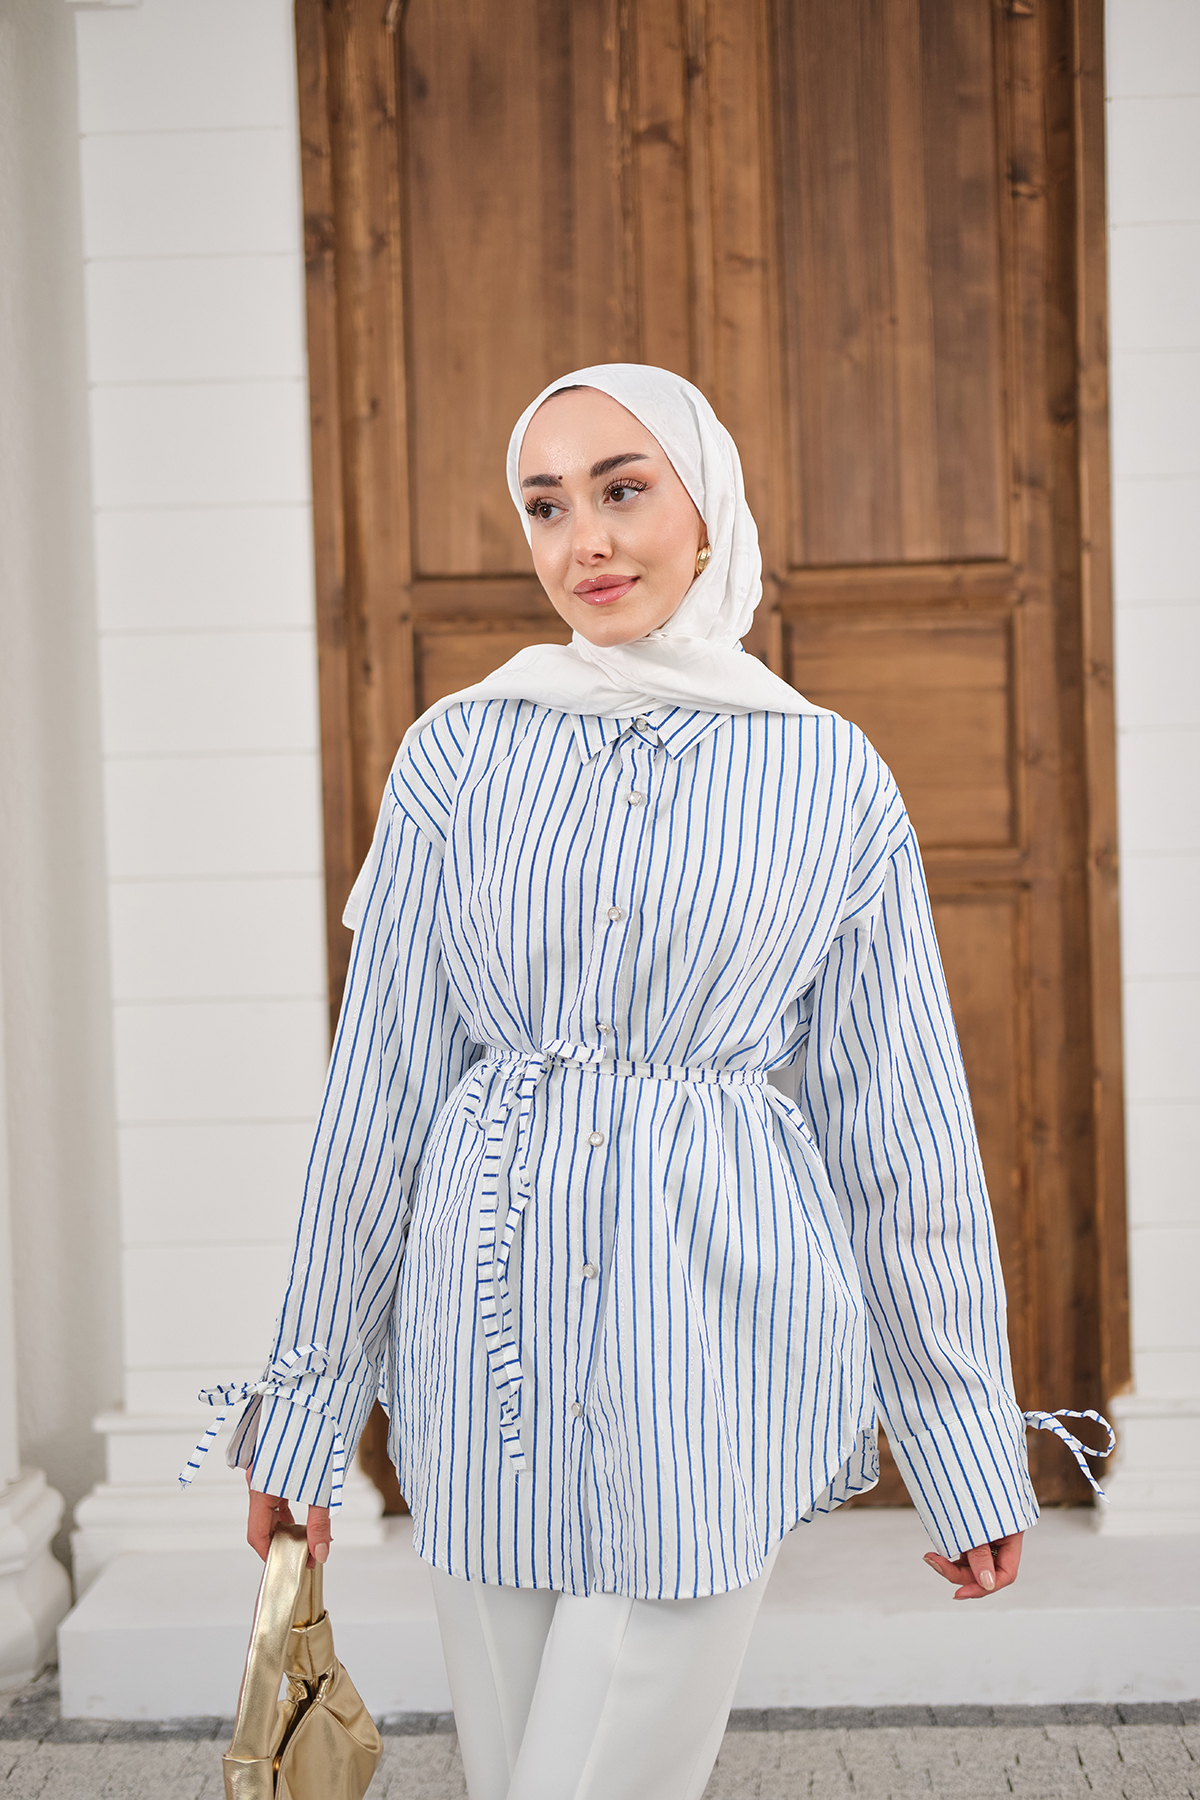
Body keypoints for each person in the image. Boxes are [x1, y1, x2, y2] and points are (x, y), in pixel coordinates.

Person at [182, 365, 1111, 1800]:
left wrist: (962, 1440)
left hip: (713, 1338)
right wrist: (307, 1413)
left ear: (708, 507)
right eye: (547, 506)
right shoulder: (454, 759)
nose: (587, 541)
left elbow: (901, 1131)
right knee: (515, 1772)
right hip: (485, 1345)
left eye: (623, 490)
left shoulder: (831, 778)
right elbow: (378, 1098)